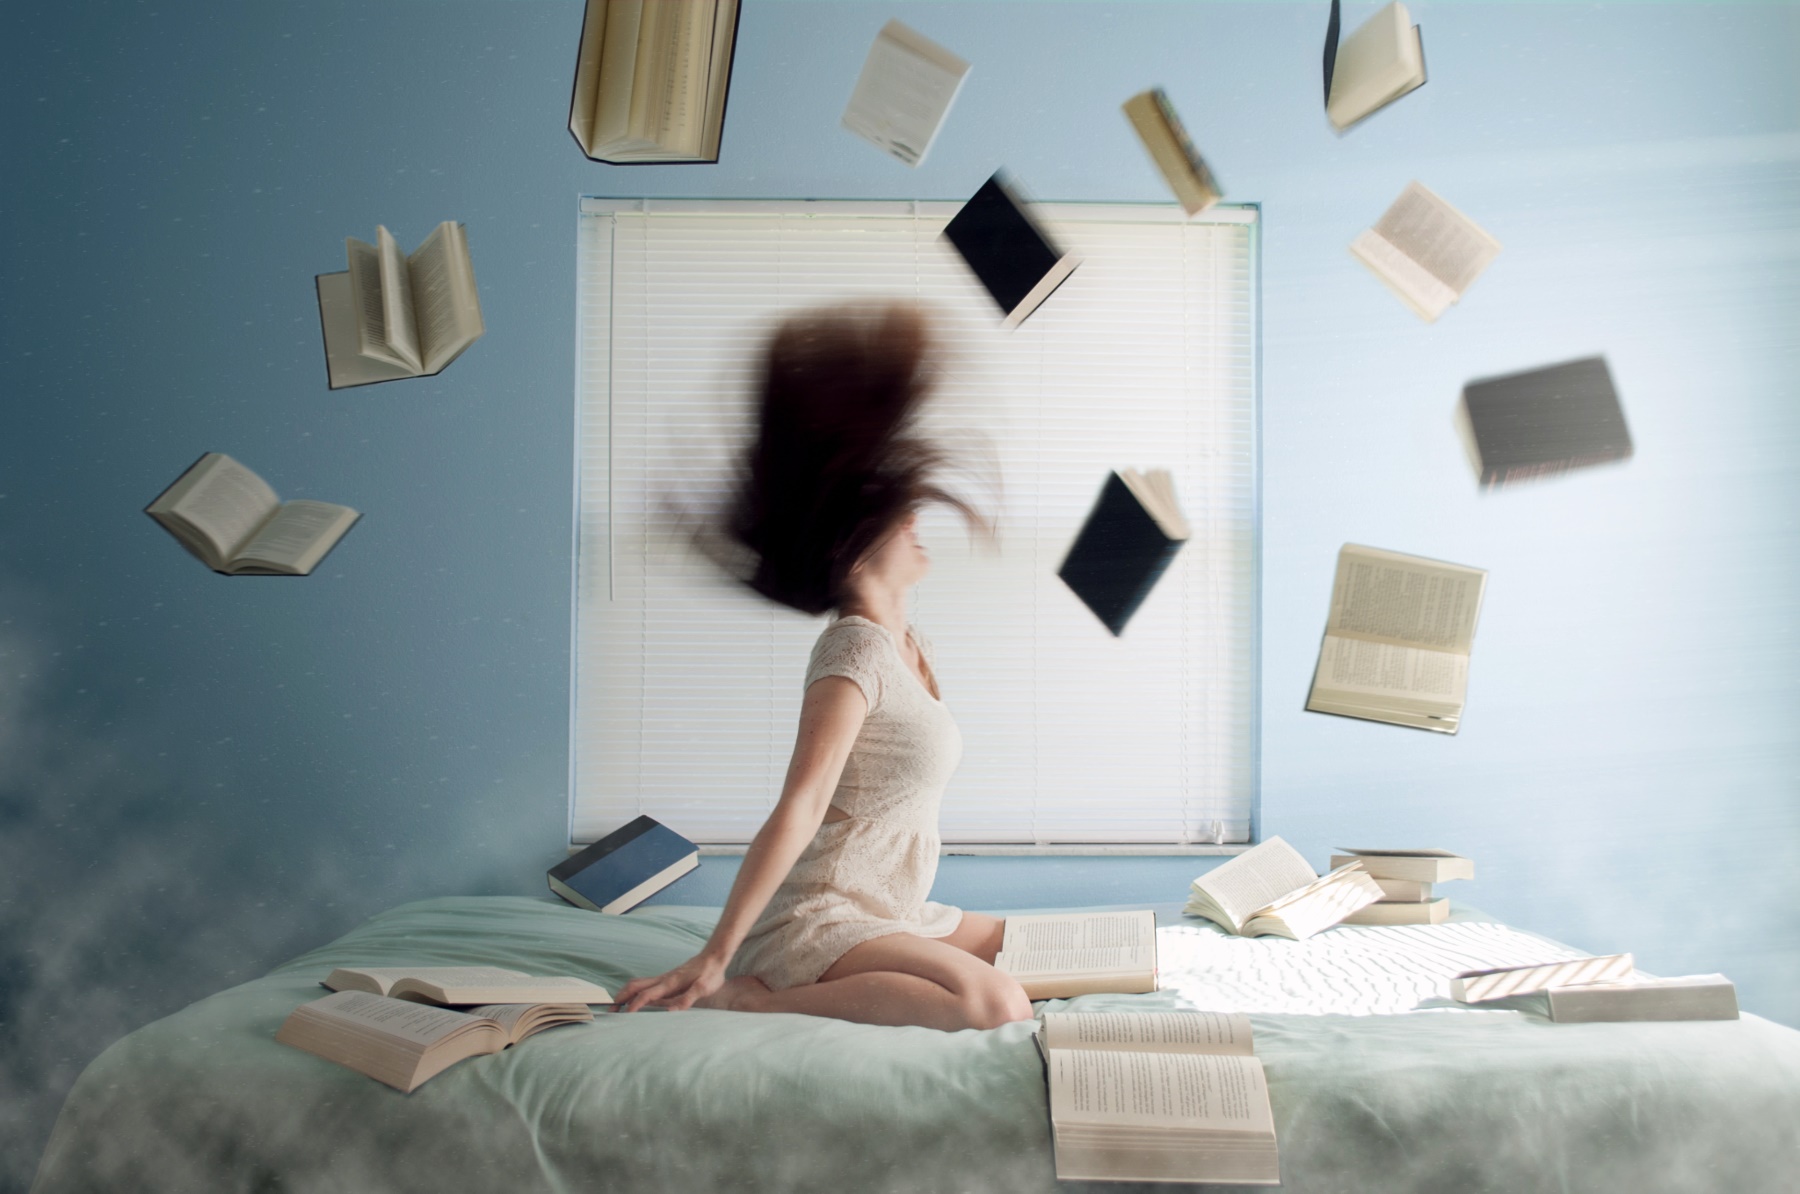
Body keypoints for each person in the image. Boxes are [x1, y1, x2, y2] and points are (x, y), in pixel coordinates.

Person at [615, 303, 1033, 1032]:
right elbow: (801, 805)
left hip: (892, 909)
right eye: (900, 517)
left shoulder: (913, 645)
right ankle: (751, 994)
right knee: (993, 1004)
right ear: (855, 541)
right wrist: (717, 955)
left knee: (1040, 951)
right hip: (825, 912)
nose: (916, 522)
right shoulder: (854, 651)